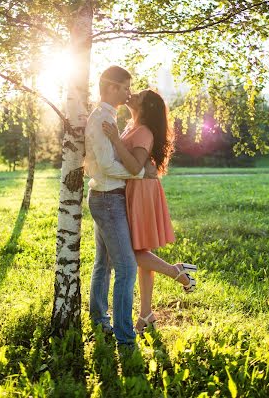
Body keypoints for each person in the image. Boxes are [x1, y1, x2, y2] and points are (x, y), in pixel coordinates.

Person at [102, 88, 197, 334]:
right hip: (138, 189)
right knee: (143, 253)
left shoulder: (143, 131)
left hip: (140, 192)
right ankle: (146, 314)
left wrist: (113, 140)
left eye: (139, 97)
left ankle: (178, 272)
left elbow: (133, 167)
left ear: (146, 108)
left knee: (133, 252)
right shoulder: (132, 126)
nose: (131, 95)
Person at [85, 66, 157, 348]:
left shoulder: (109, 117)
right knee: (126, 268)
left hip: (107, 197)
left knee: (104, 264)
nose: (129, 93)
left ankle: (99, 321)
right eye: (126, 87)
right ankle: (125, 339)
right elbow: (105, 164)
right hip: (107, 199)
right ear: (111, 87)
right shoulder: (102, 118)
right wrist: (141, 173)